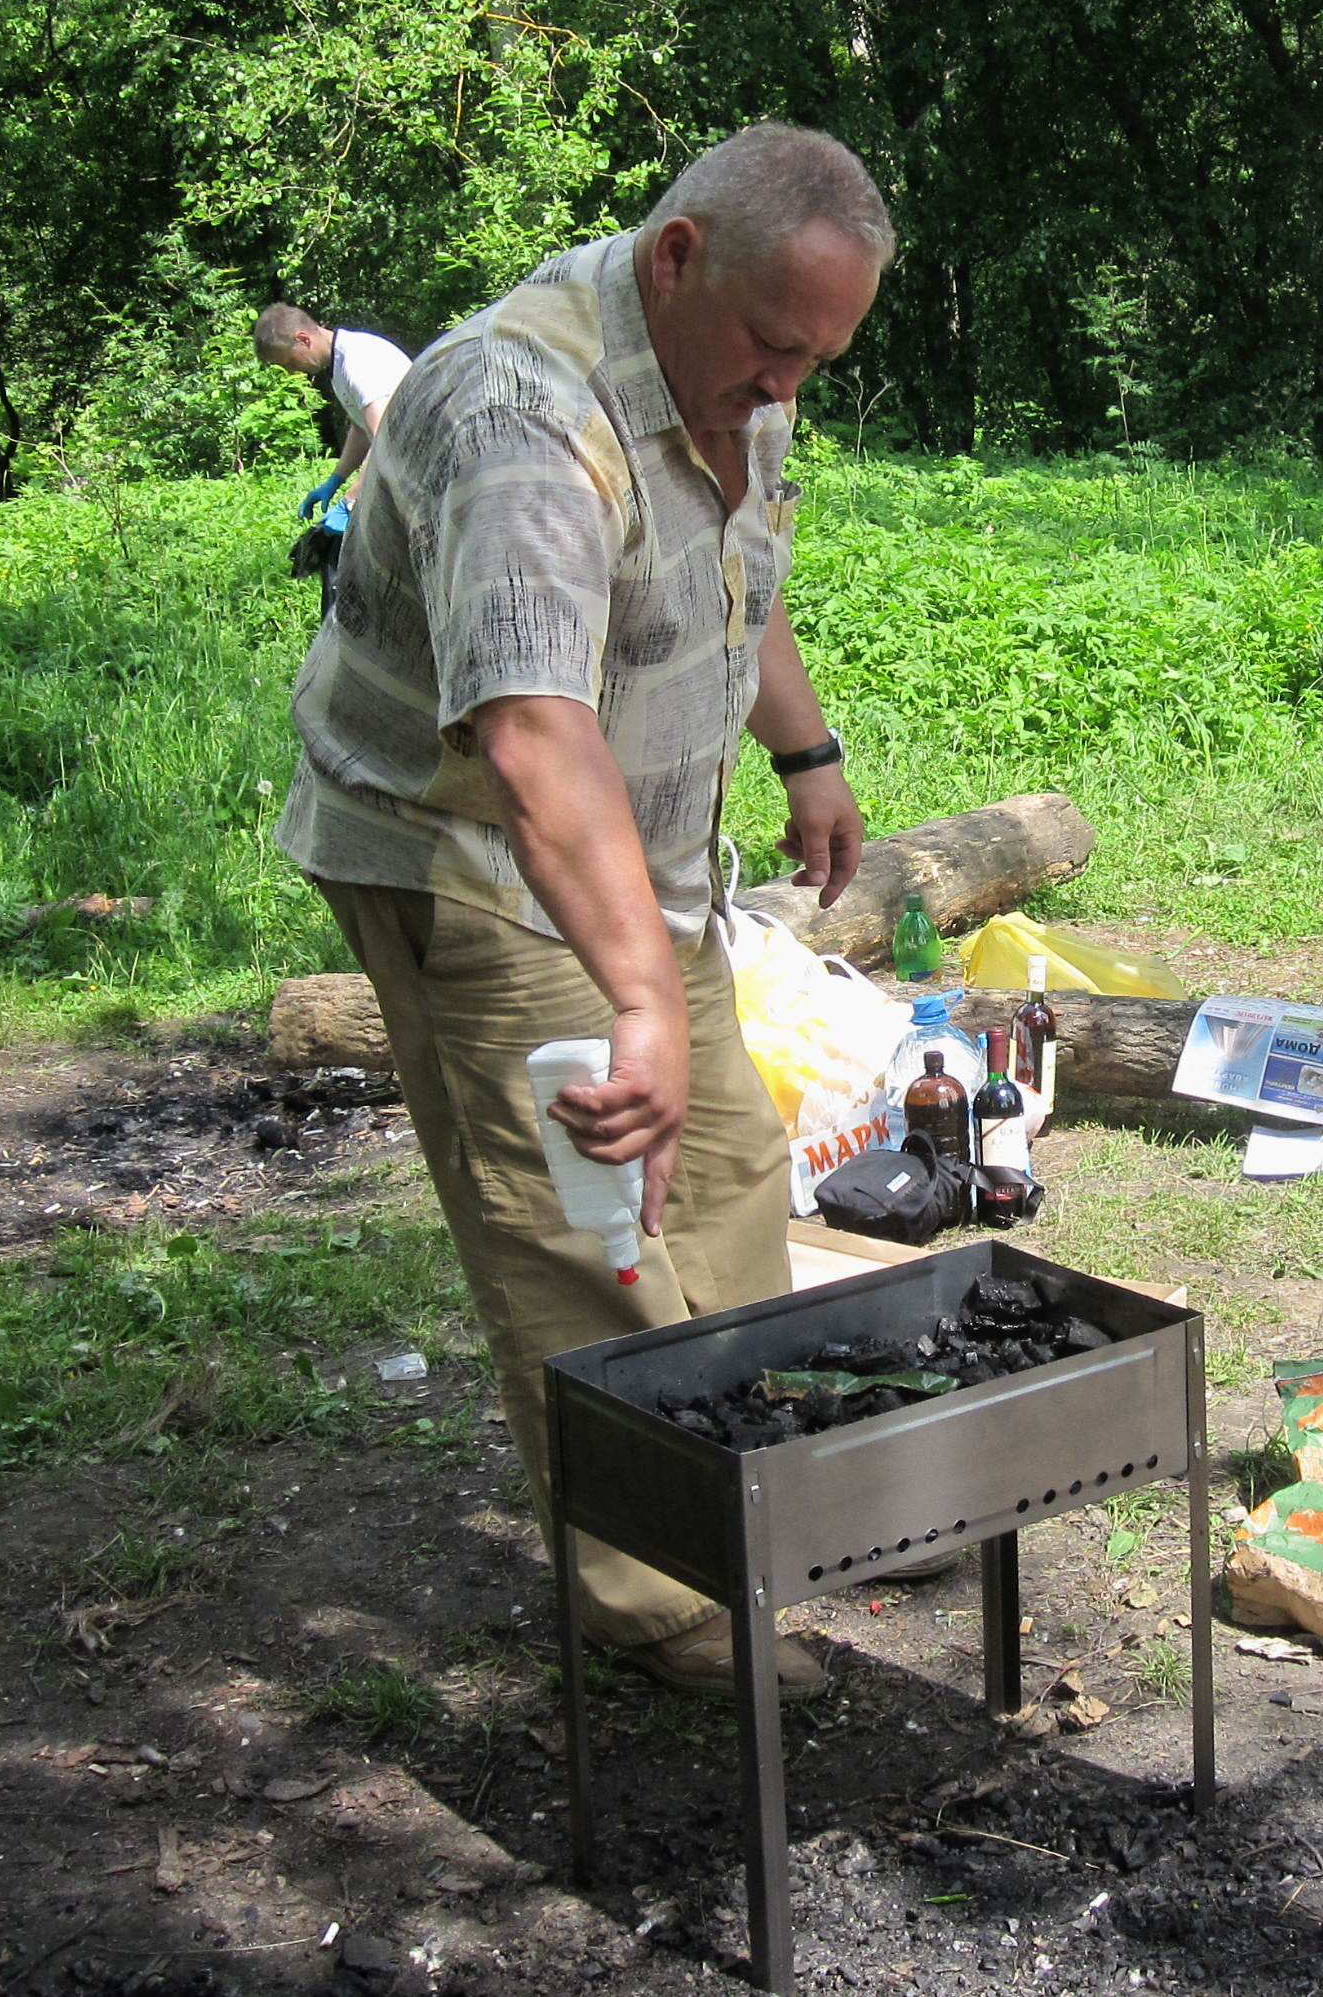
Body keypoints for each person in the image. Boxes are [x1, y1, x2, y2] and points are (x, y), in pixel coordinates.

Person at [277, 123, 893, 1697]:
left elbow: (732, 589)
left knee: (736, 1171)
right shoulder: (519, 415)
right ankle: (658, 1598)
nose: (787, 392)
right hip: (475, 858)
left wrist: (806, 754)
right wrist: (637, 1007)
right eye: (775, 348)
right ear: (677, 256)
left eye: (817, 360)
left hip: (640, 856)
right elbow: (530, 733)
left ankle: (752, 1493)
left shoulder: (731, 381)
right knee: (584, 1224)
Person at [252, 305, 412, 521]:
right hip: (404, 466)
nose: (291, 371)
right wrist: (335, 480)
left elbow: (384, 438)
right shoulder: (338, 362)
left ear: (303, 339)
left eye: (290, 361)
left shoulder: (358, 360)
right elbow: (360, 427)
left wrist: (350, 501)